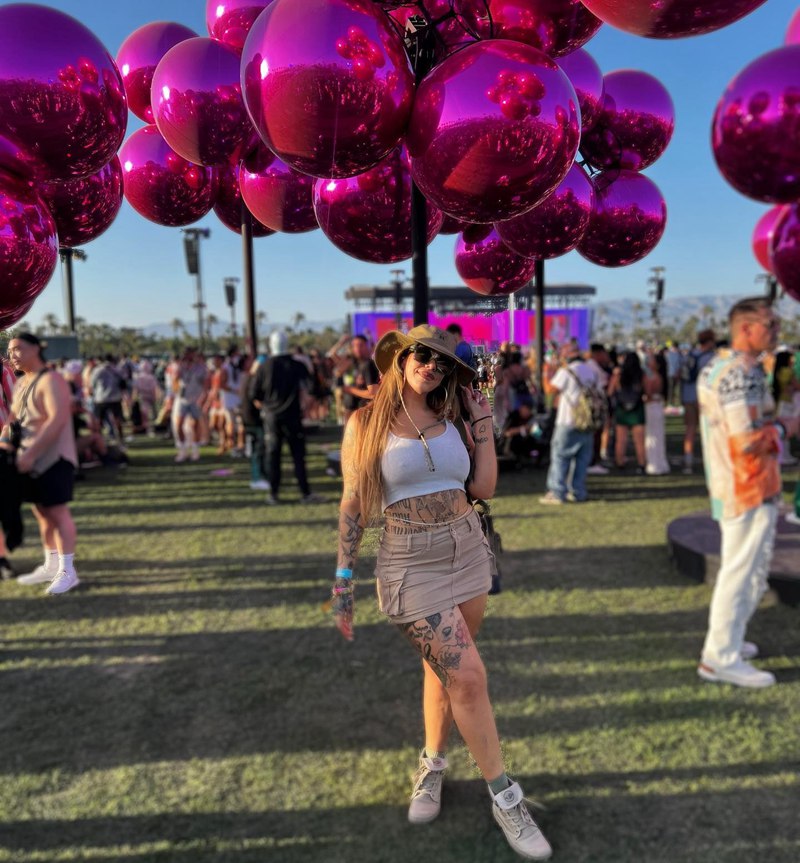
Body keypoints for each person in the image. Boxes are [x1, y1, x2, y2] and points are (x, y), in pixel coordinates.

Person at [331, 324, 551, 860]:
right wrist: (343, 579)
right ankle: (506, 798)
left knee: (448, 672)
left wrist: (483, 426)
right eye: (423, 355)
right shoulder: (365, 423)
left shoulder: (452, 418)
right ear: (399, 360)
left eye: (442, 360)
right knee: (470, 678)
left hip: (467, 550)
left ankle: (432, 763)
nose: (432, 365)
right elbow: (355, 503)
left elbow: (481, 488)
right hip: (408, 562)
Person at [697, 298, 798, 688]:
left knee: (747, 570)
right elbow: (747, 442)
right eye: (769, 325)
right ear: (745, 329)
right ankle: (720, 657)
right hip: (747, 485)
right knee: (742, 573)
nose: (776, 332)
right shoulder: (742, 374)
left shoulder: (718, 368)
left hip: (739, 484)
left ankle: (729, 643)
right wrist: (788, 427)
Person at [1, 334, 80, 595]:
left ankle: (68, 571)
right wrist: (5, 444)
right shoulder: (24, 382)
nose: (12, 355)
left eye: (17, 349)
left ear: (36, 349)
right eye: (10, 350)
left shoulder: (52, 379)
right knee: (42, 513)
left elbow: (56, 420)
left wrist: (31, 452)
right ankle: (51, 563)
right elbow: (13, 421)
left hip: (54, 458)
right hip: (30, 460)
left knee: (58, 513)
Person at [250, 330, 323, 505]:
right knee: (298, 455)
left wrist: (266, 407)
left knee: (273, 455)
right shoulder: (296, 365)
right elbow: (313, 388)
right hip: (292, 416)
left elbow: (254, 394)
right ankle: (305, 493)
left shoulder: (264, 366)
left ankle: (273, 493)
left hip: (272, 418)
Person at [540, 342, 601, 504]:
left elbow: (549, 389)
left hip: (567, 420)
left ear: (568, 353)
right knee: (581, 458)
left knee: (560, 456)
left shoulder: (566, 371)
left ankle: (557, 492)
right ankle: (578, 491)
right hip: (587, 421)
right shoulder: (590, 370)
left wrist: (547, 371)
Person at [681, 328, 717, 474]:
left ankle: (688, 461)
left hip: (687, 395)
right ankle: (710, 461)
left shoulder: (689, 355)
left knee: (690, 429)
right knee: (709, 430)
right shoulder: (710, 358)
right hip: (704, 397)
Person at [609, 351, 647, 474]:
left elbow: (610, 392)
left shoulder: (619, 375)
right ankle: (641, 464)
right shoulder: (641, 375)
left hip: (621, 409)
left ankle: (620, 463)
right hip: (637, 408)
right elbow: (646, 391)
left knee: (621, 439)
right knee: (639, 440)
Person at [173, 347, 208, 463]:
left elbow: (206, 384)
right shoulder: (181, 366)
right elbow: (175, 380)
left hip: (195, 399)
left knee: (195, 425)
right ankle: (183, 450)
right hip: (182, 398)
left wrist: (203, 397)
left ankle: (195, 450)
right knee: (178, 424)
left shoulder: (200, 368)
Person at [644, 350, 670, 475]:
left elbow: (648, 394)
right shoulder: (660, 377)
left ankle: (654, 464)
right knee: (658, 435)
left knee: (652, 435)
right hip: (658, 406)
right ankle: (660, 462)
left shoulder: (652, 377)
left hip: (652, 406)